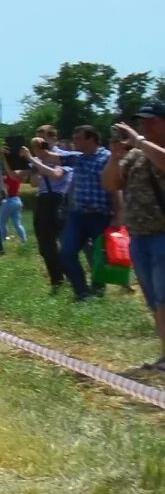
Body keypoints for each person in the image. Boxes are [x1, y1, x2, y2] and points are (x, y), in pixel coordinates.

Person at [111, 103, 165, 374]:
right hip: (140, 236)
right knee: (155, 299)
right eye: (141, 123)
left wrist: (140, 141)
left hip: (163, 235)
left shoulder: (151, 149)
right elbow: (111, 183)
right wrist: (114, 157)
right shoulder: (135, 155)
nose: (144, 127)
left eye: (150, 121)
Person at [32, 124, 115, 300]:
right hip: (78, 215)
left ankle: (98, 290)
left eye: (78, 138)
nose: (74, 142)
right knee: (67, 253)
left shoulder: (108, 158)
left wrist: (118, 215)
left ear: (91, 139)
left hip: (101, 214)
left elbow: (116, 189)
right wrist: (38, 145)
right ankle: (82, 292)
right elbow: (48, 156)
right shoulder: (78, 158)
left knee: (99, 255)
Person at [27, 126, 71, 293]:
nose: (39, 144)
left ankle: (73, 276)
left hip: (58, 199)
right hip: (43, 199)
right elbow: (34, 183)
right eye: (36, 141)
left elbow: (56, 175)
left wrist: (34, 158)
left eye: (42, 141)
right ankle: (57, 280)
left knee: (66, 244)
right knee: (45, 246)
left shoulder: (63, 156)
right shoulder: (39, 159)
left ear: (53, 138)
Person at [0, 137, 29, 248]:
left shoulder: (8, 177)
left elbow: (4, 188)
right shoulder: (17, 174)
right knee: (18, 223)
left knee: (1, 222)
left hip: (9, 200)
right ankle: (24, 241)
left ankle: (1, 240)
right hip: (17, 200)